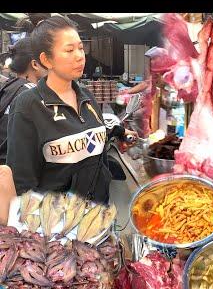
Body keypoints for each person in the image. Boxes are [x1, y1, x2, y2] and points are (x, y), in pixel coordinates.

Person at [6, 16, 137, 203]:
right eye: (69, 50)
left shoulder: (86, 96)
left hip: (99, 215)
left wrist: (119, 133)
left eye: (81, 48)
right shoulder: (28, 106)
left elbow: (86, 134)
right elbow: (22, 183)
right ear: (46, 60)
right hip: (59, 226)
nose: (79, 56)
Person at [0, 38, 48, 164]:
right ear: (35, 64)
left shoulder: (7, 87)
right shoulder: (33, 94)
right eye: (46, 59)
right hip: (18, 169)